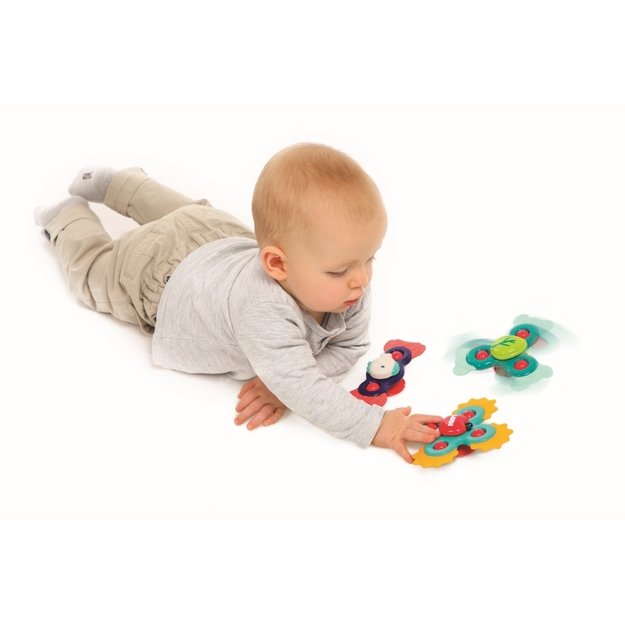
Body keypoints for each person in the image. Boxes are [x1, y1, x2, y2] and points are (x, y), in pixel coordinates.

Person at [33, 143, 441, 462]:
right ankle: (67, 217)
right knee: (94, 274)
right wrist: (374, 425)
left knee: (185, 212)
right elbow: (304, 386)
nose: (362, 279)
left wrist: (282, 383)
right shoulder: (263, 310)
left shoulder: (349, 284)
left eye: (370, 258)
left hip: (221, 236)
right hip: (159, 276)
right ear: (277, 263)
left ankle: (113, 182)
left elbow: (349, 346)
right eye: (339, 270)